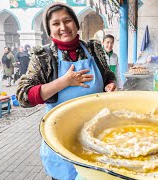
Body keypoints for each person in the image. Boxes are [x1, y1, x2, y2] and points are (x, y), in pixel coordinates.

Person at [16, 3, 117, 180]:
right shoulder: (44, 57)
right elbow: (23, 96)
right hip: (61, 139)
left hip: (98, 135)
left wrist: (110, 84)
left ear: (76, 24)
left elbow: (108, 75)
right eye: (56, 24)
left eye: (67, 21)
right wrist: (64, 82)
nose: (63, 28)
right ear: (49, 30)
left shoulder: (94, 49)